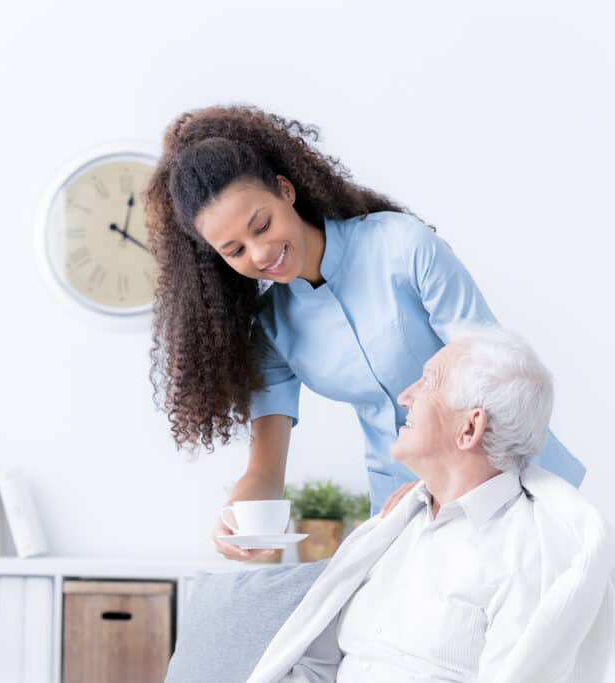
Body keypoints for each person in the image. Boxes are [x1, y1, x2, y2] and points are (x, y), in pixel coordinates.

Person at [143, 104, 585, 561]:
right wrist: (241, 513)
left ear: (285, 190)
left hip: (513, 485)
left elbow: (495, 378)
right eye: (234, 250)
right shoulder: (273, 328)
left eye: (263, 225)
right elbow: (266, 469)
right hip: (403, 511)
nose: (260, 253)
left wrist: (439, 481)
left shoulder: (401, 246)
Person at [247, 327, 615, 682]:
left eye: (427, 381)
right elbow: (316, 663)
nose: (405, 396)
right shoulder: (394, 528)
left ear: (469, 429)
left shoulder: (527, 556)